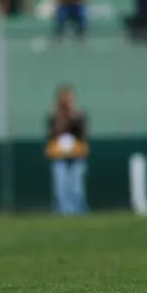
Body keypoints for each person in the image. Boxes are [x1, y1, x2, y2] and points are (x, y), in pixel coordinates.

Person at [45, 85, 88, 215]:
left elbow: (82, 134)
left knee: (76, 188)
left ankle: (79, 212)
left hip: (76, 155)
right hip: (60, 156)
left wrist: (75, 117)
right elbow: (53, 133)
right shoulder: (55, 117)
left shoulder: (78, 115)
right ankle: (64, 213)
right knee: (61, 188)